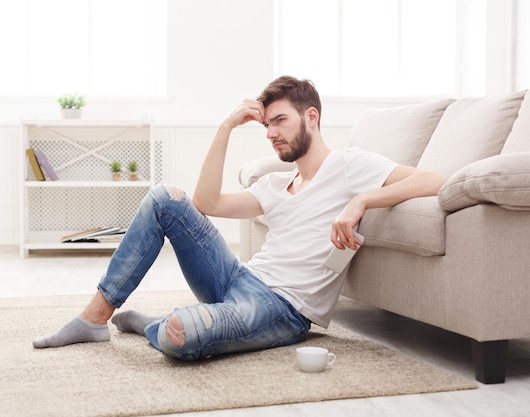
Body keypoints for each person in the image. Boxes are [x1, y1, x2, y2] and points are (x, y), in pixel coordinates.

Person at [33, 76, 446, 360]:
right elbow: (205, 202)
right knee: (165, 198)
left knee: (180, 334)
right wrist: (227, 125)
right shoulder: (274, 185)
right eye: (266, 125)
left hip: (283, 309)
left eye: (280, 120)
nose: (271, 133)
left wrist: (362, 202)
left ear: (312, 117)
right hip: (236, 278)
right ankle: (94, 319)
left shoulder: (350, 166)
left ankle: (154, 325)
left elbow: (434, 179)